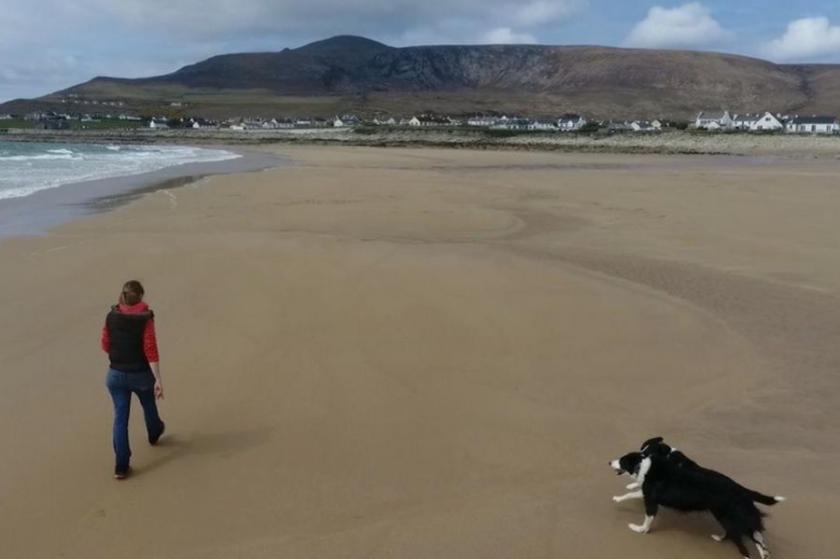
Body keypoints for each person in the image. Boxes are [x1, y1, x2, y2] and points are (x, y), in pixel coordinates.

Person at [101, 280, 165, 479]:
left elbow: (105, 345)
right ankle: (154, 431)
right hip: (140, 375)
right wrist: (158, 380)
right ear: (141, 297)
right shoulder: (145, 319)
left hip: (115, 375)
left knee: (120, 419)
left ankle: (121, 466)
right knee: (148, 403)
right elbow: (150, 349)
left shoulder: (111, 316)